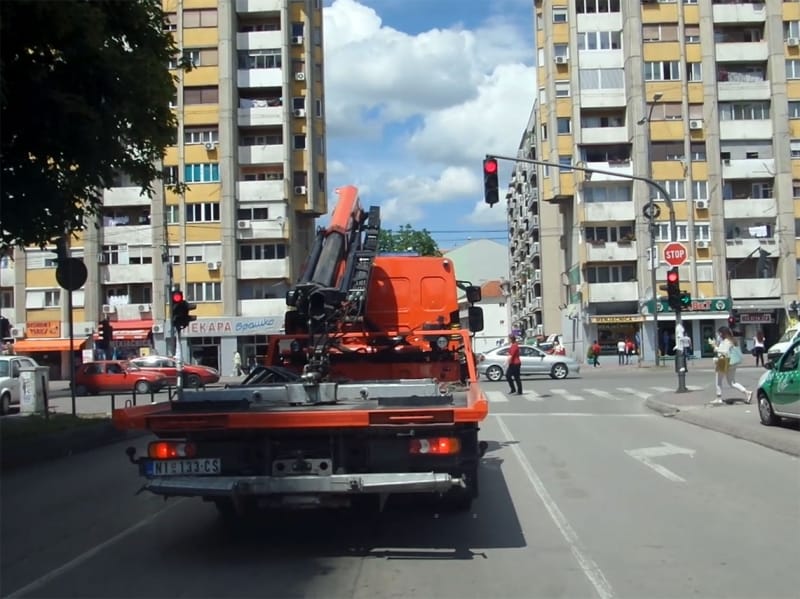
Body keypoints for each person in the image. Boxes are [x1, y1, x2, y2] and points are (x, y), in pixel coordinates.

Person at [708, 326, 752, 405]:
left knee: (718, 381)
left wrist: (714, 346)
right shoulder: (732, 340)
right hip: (732, 363)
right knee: (732, 382)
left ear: (722, 333)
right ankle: (747, 392)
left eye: (719, 333)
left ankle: (719, 398)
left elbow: (724, 352)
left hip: (723, 362)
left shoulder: (726, 341)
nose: (718, 335)